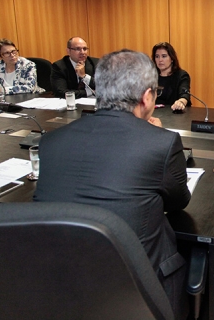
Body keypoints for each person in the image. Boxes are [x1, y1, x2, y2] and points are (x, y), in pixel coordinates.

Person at [34, 49, 191, 319]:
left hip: (61, 286)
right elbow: (179, 201)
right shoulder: (162, 143)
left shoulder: (50, 142)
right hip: (140, 290)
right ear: (147, 97)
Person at [151, 42, 191, 111]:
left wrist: (181, 102)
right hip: (153, 115)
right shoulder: (151, 75)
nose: (160, 60)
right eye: (157, 56)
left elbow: (184, 94)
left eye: (164, 56)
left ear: (172, 58)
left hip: (174, 114)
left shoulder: (181, 75)